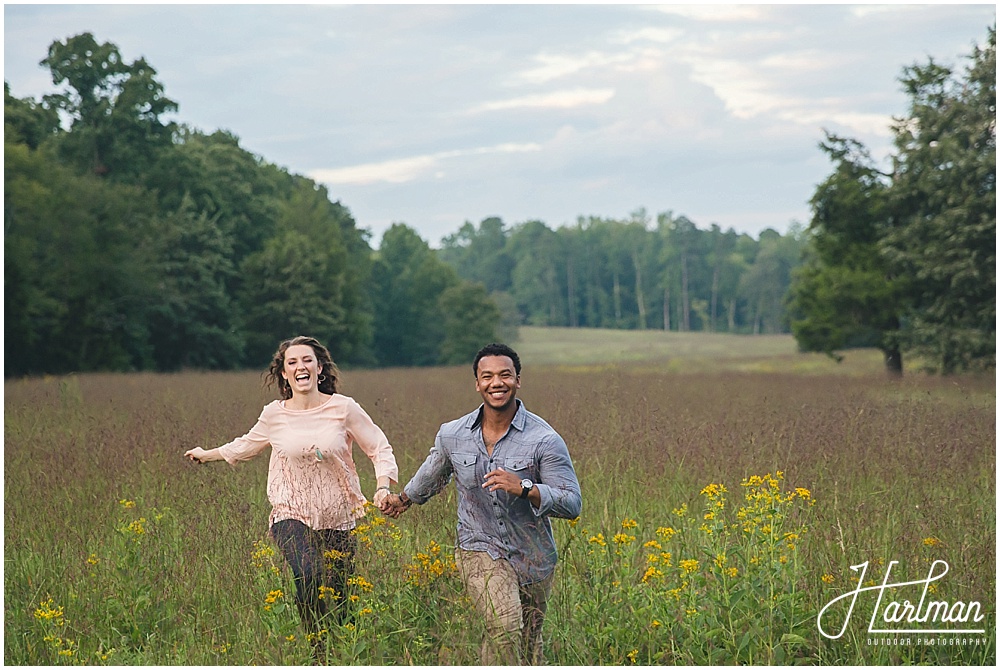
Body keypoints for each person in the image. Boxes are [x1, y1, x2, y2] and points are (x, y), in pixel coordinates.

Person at [184, 335, 398, 647]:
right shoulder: (275, 414)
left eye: (307, 360)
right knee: (308, 573)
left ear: (319, 367)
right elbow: (246, 445)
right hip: (291, 513)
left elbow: (378, 447)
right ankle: (317, 650)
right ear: (284, 374)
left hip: (340, 516)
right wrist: (207, 454)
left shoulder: (344, 408)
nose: (300, 367)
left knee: (341, 600)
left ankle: (344, 651)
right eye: (292, 362)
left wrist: (381, 487)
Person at [384, 342, 581, 665]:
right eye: (487, 376)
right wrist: (404, 499)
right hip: (479, 547)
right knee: (504, 627)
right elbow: (433, 472)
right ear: (477, 384)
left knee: (530, 644)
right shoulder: (453, 434)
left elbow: (572, 503)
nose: (496, 383)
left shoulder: (544, 439)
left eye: (505, 375)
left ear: (518, 380)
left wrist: (526, 488)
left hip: (534, 555)